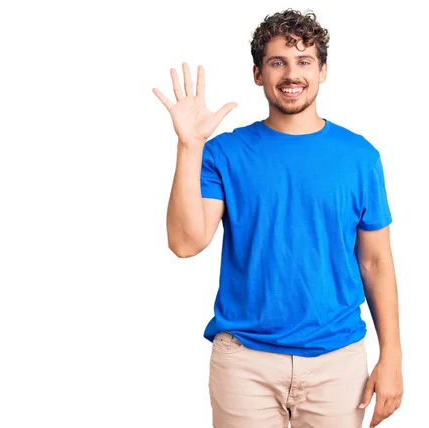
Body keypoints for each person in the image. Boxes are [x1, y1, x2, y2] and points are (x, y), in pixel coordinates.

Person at [153, 8, 403, 428]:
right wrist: (189, 146)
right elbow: (185, 242)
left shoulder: (360, 156)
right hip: (245, 361)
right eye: (277, 62)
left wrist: (391, 357)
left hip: (337, 360)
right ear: (257, 73)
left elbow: (376, 260)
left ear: (322, 71)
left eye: (304, 61)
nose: (292, 74)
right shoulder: (224, 153)